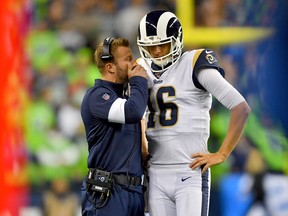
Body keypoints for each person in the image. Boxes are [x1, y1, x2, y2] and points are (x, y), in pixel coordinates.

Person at [136, 10, 251, 216]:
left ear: (177, 40)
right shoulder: (139, 68)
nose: (156, 51)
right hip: (154, 173)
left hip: (189, 171)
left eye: (162, 44)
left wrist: (222, 153)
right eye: (151, 46)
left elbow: (240, 107)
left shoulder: (194, 62)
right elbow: (135, 116)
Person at [80, 37, 149, 215]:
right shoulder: (96, 96)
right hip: (107, 193)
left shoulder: (126, 96)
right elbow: (131, 112)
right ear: (110, 67)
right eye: (127, 59)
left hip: (134, 192)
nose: (133, 63)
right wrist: (140, 81)